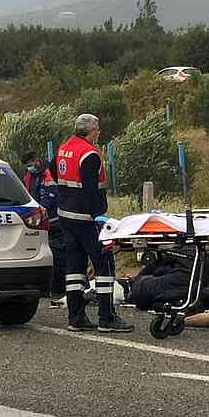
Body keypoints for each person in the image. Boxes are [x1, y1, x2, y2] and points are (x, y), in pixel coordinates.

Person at [56, 114, 132, 332]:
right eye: (97, 130)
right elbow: (90, 188)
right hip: (87, 219)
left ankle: (76, 316)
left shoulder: (64, 148)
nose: (98, 133)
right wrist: (98, 215)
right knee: (104, 264)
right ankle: (107, 318)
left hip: (66, 216)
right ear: (90, 130)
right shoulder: (89, 153)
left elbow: (54, 171)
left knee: (74, 268)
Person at [21, 153, 67, 307]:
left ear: (37, 160)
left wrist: (41, 208)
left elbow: (53, 196)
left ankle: (58, 289)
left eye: (32, 163)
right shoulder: (29, 175)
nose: (31, 166)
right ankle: (47, 288)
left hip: (54, 220)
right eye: (27, 164)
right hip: (39, 221)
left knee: (58, 255)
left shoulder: (48, 174)